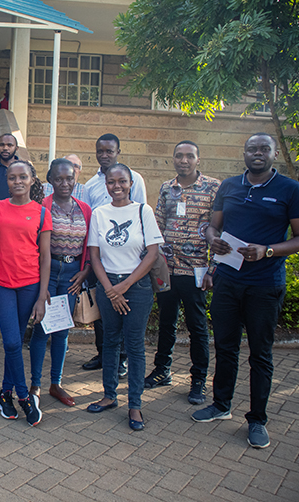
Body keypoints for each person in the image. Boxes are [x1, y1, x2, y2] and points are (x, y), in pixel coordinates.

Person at [192, 133, 299, 449]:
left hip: (265, 284)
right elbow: (213, 225)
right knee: (226, 346)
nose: (257, 153)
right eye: (252, 149)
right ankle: (221, 405)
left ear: (273, 154)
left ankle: (257, 419)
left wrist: (268, 251)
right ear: (243, 153)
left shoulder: (290, 190)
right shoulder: (230, 187)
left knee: (260, 353)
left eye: (264, 149)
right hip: (228, 281)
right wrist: (212, 239)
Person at [86, 163, 163, 431]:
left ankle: (135, 405)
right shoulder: (99, 213)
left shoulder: (143, 211)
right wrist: (110, 289)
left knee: (134, 346)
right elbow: (95, 256)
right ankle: (109, 396)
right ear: (105, 185)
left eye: (122, 181)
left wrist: (125, 286)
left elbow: (152, 253)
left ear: (131, 183)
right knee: (110, 342)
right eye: (111, 182)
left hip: (137, 288)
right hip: (108, 285)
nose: (116, 187)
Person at [145, 141, 220, 405]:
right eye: (179, 156)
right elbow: (158, 224)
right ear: (173, 159)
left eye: (189, 156)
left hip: (195, 270)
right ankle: (162, 370)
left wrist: (213, 269)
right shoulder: (167, 188)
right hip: (168, 268)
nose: (184, 160)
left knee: (197, 326)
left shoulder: (213, 188)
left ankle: (198, 379)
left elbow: (219, 229)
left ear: (198, 160)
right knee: (166, 322)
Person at [0, 160, 51, 427]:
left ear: (31, 179)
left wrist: (41, 296)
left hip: (29, 285)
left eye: (23, 177)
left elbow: (46, 257)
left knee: (14, 342)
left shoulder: (41, 213)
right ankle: (24, 396)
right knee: (13, 343)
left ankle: (5, 394)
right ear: (7, 181)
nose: (18, 182)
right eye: (12, 177)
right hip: (2, 284)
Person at [29, 158, 92, 408]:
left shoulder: (84, 209)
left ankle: (56, 383)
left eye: (69, 178)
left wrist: (85, 270)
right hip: (47, 270)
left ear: (75, 178)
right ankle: (35, 384)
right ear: (50, 180)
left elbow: (90, 245)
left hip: (72, 273)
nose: (64, 183)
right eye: (59, 178)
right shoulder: (42, 207)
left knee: (62, 329)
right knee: (41, 327)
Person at [82, 133, 147, 373]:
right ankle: (103, 353)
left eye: (109, 151)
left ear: (118, 151)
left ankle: (123, 358)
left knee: (125, 308)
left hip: (128, 260)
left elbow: (140, 216)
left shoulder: (134, 179)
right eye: (100, 151)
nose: (105, 155)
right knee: (102, 310)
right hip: (101, 260)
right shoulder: (90, 185)